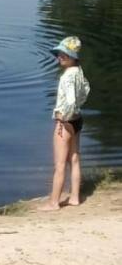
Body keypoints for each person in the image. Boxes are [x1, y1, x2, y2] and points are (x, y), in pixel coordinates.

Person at [40, 36, 90, 211]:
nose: (60, 56)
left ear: (73, 57)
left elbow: (69, 100)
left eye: (64, 54)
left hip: (66, 122)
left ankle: (54, 203)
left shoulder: (67, 77)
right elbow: (86, 90)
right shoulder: (78, 70)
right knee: (74, 158)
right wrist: (77, 108)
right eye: (59, 53)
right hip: (77, 119)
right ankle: (75, 197)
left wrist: (63, 118)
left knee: (60, 164)